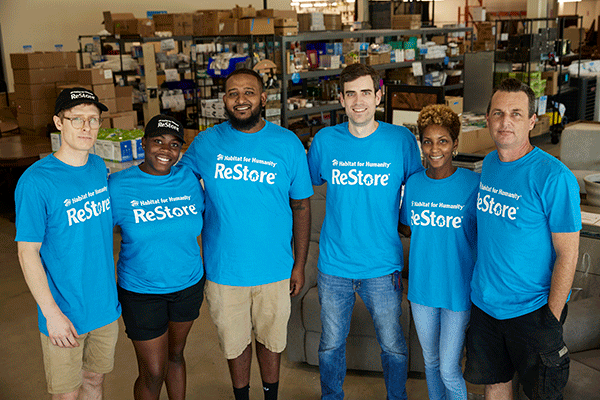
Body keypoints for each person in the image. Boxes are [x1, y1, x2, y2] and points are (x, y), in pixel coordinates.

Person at [178, 68, 313, 400]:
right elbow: (177, 185)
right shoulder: (206, 143)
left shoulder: (287, 144)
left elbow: (302, 207)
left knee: (271, 340)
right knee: (234, 343)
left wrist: (299, 265)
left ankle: (270, 396)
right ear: (224, 100)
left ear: (263, 98)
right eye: (233, 93)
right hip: (225, 269)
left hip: (275, 268)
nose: (241, 100)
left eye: (249, 92)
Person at [307, 63, 423, 400]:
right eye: (351, 94)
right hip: (334, 266)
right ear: (341, 99)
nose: (359, 101)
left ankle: (396, 397)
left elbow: (415, 189)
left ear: (379, 95)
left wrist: (403, 224)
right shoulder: (325, 141)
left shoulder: (400, 140)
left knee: (393, 345)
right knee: (330, 344)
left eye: (366, 93)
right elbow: (309, 189)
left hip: (382, 265)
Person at [463, 78, 581, 399]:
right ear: (487, 119)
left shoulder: (554, 177)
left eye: (516, 113)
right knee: (495, 384)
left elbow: (568, 254)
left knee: (541, 394)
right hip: (486, 305)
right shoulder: (488, 164)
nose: (505, 122)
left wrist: (551, 319)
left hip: (533, 310)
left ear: (532, 120)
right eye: (498, 113)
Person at [14, 87, 121, 400]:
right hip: (64, 312)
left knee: (95, 383)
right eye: (77, 119)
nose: (86, 127)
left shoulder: (99, 167)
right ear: (58, 123)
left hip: (103, 307)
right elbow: (27, 253)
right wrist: (52, 314)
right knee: (67, 394)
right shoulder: (36, 181)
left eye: (93, 119)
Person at [108, 115, 205, 400]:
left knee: (175, 356)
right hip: (141, 291)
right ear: (143, 143)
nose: (166, 150)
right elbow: (98, 237)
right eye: (158, 141)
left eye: (174, 144)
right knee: (152, 370)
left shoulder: (188, 179)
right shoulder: (118, 185)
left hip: (187, 285)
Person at [398, 104, 479, 400]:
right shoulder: (414, 184)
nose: (435, 149)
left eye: (443, 140)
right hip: (422, 290)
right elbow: (407, 227)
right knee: (430, 363)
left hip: (458, 290)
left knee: (448, 368)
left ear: (455, 144)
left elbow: (484, 238)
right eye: (428, 141)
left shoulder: (473, 185)